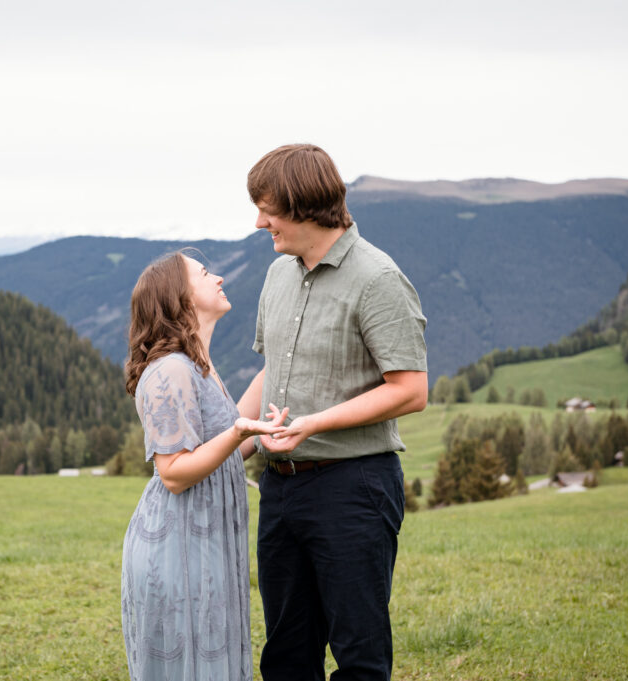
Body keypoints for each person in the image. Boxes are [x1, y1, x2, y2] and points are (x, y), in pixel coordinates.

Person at [241, 144, 428, 681]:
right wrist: (232, 438)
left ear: (304, 203)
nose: (259, 222)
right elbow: (268, 371)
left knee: (360, 658)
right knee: (286, 656)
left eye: (267, 207)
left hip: (354, 488)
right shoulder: (279, 275)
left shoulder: (377, 279)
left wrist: (314, 424)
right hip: (279, 488)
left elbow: (410, 390)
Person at [120, 251, 288, 681]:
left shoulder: (198, 365)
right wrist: (239, 434)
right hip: (176, 549)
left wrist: (287, 357)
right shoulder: (170, 370)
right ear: (179, 296)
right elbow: (175, 472)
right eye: (205, 273)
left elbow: (222, 445)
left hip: (203, 545)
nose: (219, 277)